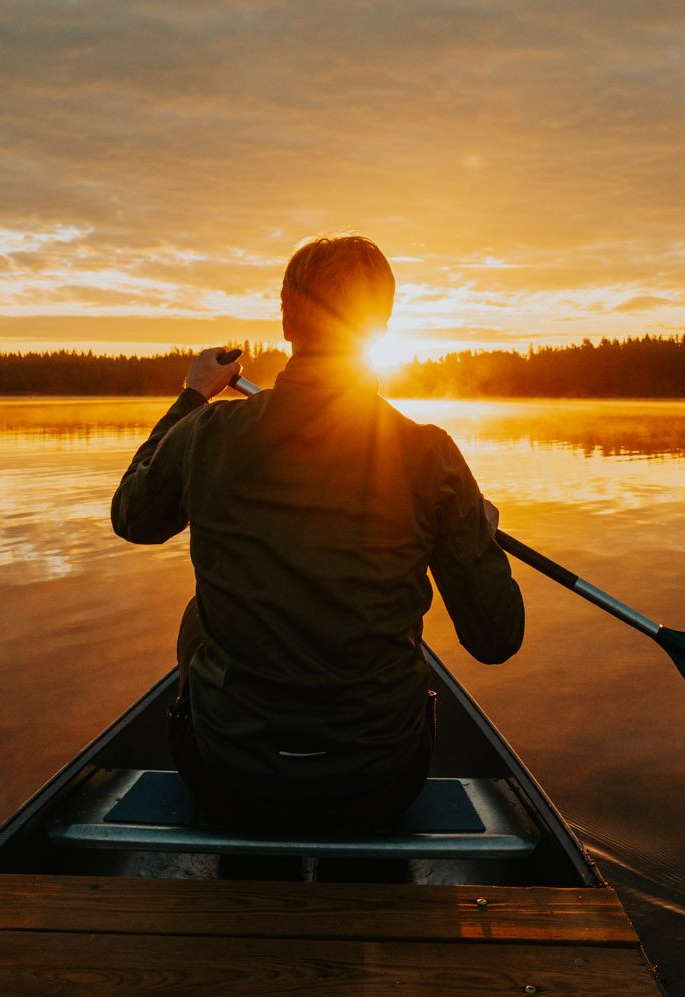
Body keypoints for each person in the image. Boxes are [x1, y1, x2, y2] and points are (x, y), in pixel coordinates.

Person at [110, 234, 524, 835]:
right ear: (380, 328)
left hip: (229, 779)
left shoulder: (209, 432)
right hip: (379, 783)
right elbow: (496, 636)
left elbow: (132, 516)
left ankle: (241, 882)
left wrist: (193, 396)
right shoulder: (428, 454)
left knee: (200, 617)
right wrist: (477, 537)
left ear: (285, 322)